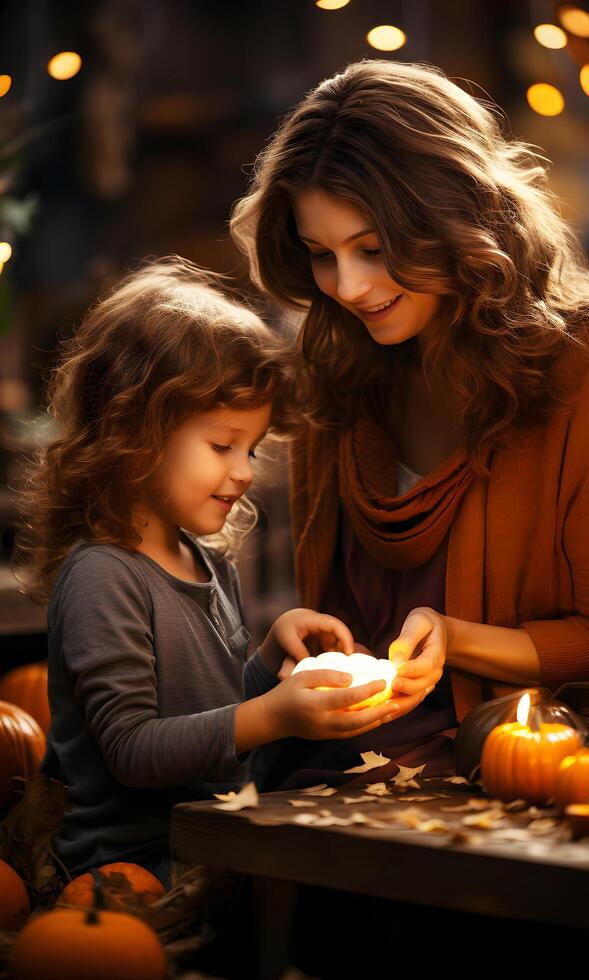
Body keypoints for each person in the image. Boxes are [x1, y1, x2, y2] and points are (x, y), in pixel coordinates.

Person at [228, 58, 589, 797]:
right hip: (336, 767)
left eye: (373, 249)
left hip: (534, 765)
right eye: (322, 255)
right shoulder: (340, 374)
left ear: (455, 220)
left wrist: (456, 638)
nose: (348, 287)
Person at [11, 255, 407, 890]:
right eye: (222, 446)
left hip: (214, 837)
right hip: (133, 872)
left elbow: (211, 719)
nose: (247, 470)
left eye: (250, 449)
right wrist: (276, 715)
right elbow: (136, 751)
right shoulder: (103, 577)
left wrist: (268, 665)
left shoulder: (207, 562)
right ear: (133, 431)